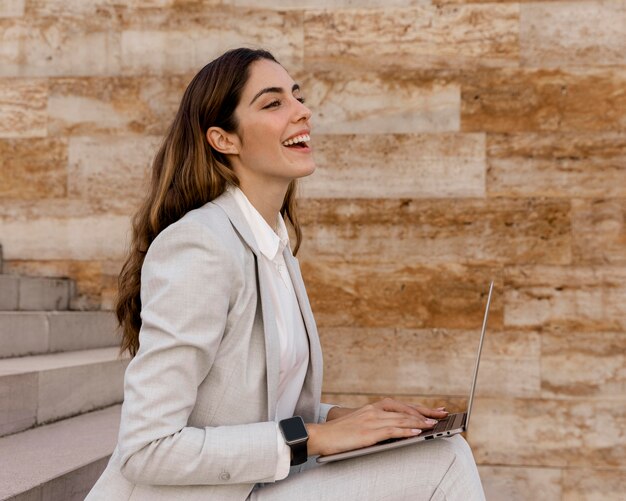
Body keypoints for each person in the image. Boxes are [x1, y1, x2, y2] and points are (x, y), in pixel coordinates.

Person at [86, 47, 486, 501]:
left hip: (256, 486)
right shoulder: (201, 245)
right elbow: (146, 447)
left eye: (297, 96)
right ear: (224, 139)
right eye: (274, 103)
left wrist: (352, 418)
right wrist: (314, 437)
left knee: (444, 448)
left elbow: (257, 406)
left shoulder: (272, 245)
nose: (302, 111)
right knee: (445, 462)